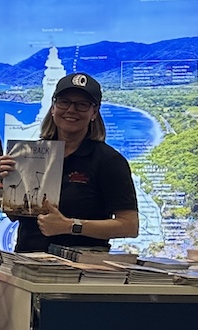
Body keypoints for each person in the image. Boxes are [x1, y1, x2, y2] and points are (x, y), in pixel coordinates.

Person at [11, 72, 140, 253]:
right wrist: (6, 183)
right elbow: (15, 214)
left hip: (79, 273)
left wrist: (71, 226)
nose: (71, 110)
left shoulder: (109, 161)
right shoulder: (29, 155)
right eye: (64, 102)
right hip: (27, 265)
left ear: (94, 112)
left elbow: (129, 226)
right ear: (53, 107)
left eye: (82, 105)